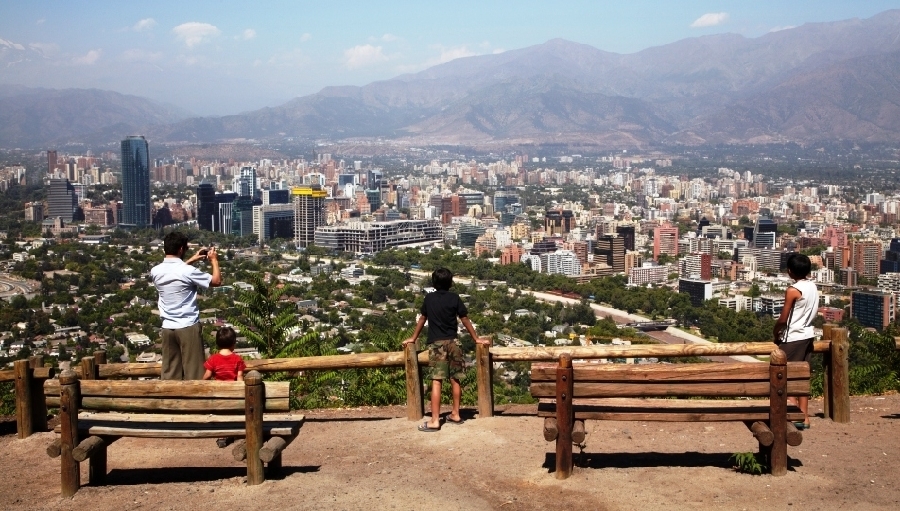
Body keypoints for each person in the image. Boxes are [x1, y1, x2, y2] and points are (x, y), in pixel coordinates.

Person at [403, 268, 490, 432]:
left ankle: (435, 420)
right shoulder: (455, 298)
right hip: (454, 342)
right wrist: (476, 339)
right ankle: (456, 414)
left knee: (437, 381)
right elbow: (464, 319)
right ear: (450, 283)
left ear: (434, 283)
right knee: (455, 379)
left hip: (437, 344)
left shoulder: (429, 299)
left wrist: (413, 338)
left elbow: (423, 319)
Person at [150, 231, 222, 380]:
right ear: (181, 249)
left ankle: (170, 402)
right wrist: (214, 260)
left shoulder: (155, 271)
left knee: (170, 373)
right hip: (187, 326)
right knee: (194, 373)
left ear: (165, 249)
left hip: (168, 327)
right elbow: (216, 281)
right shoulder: (187, 271)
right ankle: (196, 403)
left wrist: (192, 259)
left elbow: (175, 272)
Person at [773, 253, 818, 430]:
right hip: (808, 335)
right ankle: (804, 416)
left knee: (785, 377)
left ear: (790, 271)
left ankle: (792, 414)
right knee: (802, 376)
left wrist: (776, 332)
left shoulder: (793, 290)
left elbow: (784, 318)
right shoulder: (813, 286)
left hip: (793, 337)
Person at [204, 327, 246, 448]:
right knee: (232, 413)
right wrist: (240, 391)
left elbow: (208, 374)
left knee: (221, 414)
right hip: (232, 394)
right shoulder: (237, 359)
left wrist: (202, 383)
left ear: (217, 344)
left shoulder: (213, 359)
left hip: (218, 394)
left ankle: (222, 436)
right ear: (234, 343)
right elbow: (240, 377)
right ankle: (233, 432)